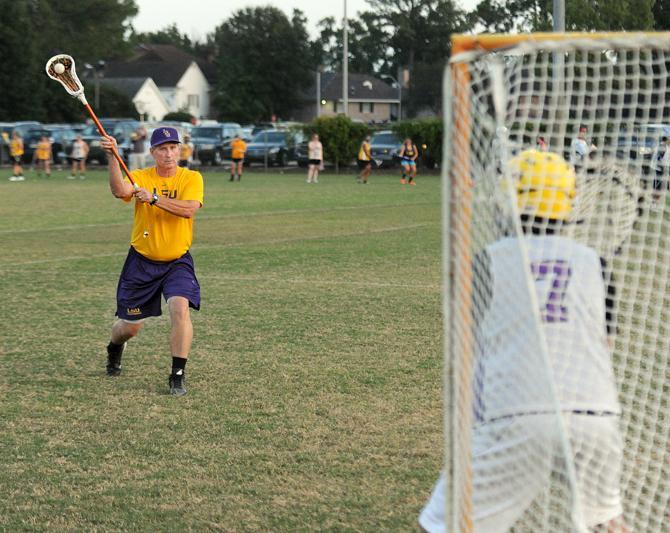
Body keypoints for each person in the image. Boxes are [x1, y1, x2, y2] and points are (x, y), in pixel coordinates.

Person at [419, 150, 625, 532]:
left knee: (441, 524)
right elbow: (604, 345)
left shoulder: (486, 261)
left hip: (518, 417)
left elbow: (467, 346)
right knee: (607, 523)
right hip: (596, 420)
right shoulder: (595, 263)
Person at [101, 126, 204, 396]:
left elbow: (189, 209)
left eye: (173, 148)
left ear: (179, 150)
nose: (169, 154)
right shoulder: (141, 177)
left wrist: (154, 199)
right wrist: (113, 157)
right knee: (129, 328)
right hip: (141, 261)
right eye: (162, 149)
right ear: (153, 152)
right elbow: (118, 190)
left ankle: (177, 375)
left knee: (180, 308)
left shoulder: (191, 178)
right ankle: (114, 347)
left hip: (177, 261)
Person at [649, 135, 670, 211]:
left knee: (661, 189)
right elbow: (659, 159)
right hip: (658, 170)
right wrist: (665, 169)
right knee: (658, 189)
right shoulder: (662, 146)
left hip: (662, 170)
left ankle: (654, 205)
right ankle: (653, 205)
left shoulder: (666, 147)